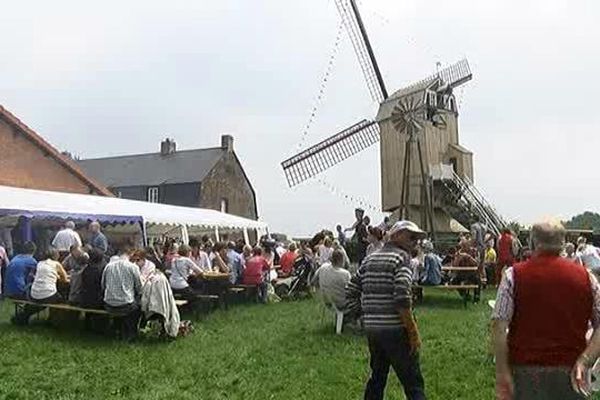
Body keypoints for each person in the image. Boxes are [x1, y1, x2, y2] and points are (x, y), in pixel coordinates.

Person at [492, 220, 600, 399]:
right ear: (563, 244)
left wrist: (502, 371)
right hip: (572, 370)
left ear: (532, 242)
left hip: (525, 370)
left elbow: (499, 325)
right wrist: (585, 360)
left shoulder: (513, 276)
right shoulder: (587, 278)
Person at [346, 221, 427, 400]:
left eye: (417, 239)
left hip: (373, 331)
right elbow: (402, 298)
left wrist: (362, 316)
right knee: (413, 383)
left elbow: (351, 289)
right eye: (412, 237)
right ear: (396, 235)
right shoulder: (402, 259)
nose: (415, 242)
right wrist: (413, 332)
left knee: (377, 378)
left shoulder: (370, 258)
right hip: (396, 331)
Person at [12, 249, 68, 325]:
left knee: (38, 300)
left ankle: (22, 317)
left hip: (34, 295)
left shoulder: (39, 264)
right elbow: (65, 279)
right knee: (61, 299)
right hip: (48, 295)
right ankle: (53, 321)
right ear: (56, 255)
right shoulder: (56, 264)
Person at [102, 246, 143, 341]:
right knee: (138, 306)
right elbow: (139, 287)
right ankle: (131, 333)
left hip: (109, 304)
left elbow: (103, 285)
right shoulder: (133, 267)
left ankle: (117, 329)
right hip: (126, 305)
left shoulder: (108, 266)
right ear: (131, 254)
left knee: (123, 303)